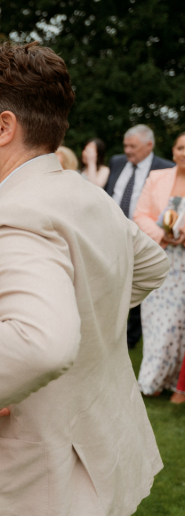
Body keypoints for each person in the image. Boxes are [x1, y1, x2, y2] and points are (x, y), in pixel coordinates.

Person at [0, 42, 168, 516]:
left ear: (5, 126)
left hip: (31, 489)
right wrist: (83, 313)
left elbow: (42, 342)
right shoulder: (82, 193)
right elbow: (151, 266)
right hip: (85, 464)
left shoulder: (18, 214)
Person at [104, 124, 175, 349]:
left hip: (142, 236)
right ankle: (105, 327)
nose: (127, 150)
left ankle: (130, 338)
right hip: (110, 232)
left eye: (132, 146)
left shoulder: (164, 169)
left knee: (135, 282)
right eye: (125, 145)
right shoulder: (116, 162)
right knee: (108, 281)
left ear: (149, 145)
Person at [134, 132, 185, 398]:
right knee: (158, 322)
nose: (184, 153)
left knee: (180, 323)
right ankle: (152, 381)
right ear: (173, 151)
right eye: (180, 147)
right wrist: (160, 234)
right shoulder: (157, 178)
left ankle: (178, 384)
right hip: (160, 255)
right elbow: (139, 214)